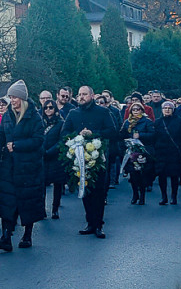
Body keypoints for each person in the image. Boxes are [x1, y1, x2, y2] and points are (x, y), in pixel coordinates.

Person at [62, 85, 120, 237]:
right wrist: (77, 136)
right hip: (79, 158)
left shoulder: (103, 112)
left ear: (92, 96)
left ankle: (98, 224)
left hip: (98, 157)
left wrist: (94, 134)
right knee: (85, 190)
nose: (81, 97)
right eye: (79, 94)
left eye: (85, 94)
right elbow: (64, 132)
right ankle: (89, 222)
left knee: (99, 192)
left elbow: (113, 131)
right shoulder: (73, 113)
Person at [0, 80, 46, 250]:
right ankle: (6, 237)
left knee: (27, 201)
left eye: (15, 97)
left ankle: (27, 235)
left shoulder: (34, 117)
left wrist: (17, 146)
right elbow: (1, 135)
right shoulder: (8, 115)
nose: (12, 100)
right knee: (7, 200)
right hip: (9, 166)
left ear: (22, 98)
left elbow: (38, 140)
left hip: (28, 167)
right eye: (10, 97)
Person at [153, 101, 181, 205]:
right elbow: (154, 137)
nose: (167, 110)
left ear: (173, 110)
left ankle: (174, 196)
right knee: (162, 175)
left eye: (169, 108)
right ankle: (164, 196)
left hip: (174, 152)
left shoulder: (179, 121)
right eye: (165, 108)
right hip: (161, 151)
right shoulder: (158, 122)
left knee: (174, 175)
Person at [120, 102, 155, 205]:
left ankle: (142, 195)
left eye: (138, 109)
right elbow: (123, 134)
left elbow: (152, 134)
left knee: (142, 174)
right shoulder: (128, 122)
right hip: (131, 151)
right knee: (133, 175)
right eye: (134, 110)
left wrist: (140, 135)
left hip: (142, 151)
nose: (136, 111)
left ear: (142, 111)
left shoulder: (147, 121)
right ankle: (135, 194)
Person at [41, 99, 65, 217]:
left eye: (51, 107)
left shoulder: (60, 123)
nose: (48, 110)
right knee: (42, 184)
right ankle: (42, 209)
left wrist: (50, 151)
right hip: (43, 158)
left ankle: (55, 208)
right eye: (46, 108)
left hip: (56, 157)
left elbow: (62, 141)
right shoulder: (40, 122)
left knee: (57, 184)